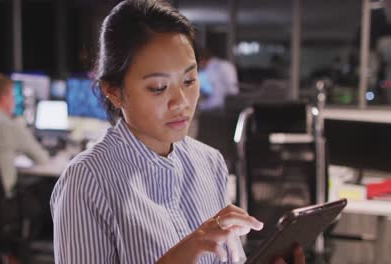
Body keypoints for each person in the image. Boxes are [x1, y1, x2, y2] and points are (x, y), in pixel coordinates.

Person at [50, 1, 304, 263]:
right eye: (159, 87)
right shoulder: (87, 181)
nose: (181, 101)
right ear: (113, 91)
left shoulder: (209, 162)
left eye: (189, 81)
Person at [0, 73, 49, 197]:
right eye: (12, 95)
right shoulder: (10, 125)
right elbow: (42, 159)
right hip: (2, 202)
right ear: (3, 97)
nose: (14, 100)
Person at [198, 46, 239, 111]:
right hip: (217, 107)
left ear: (201, 59)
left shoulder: (221, 67)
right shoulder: (206, 71)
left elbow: (219, 99)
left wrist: (201, 106)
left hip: (224, 110)